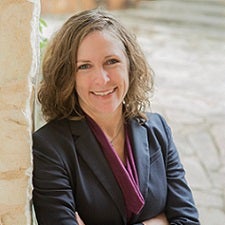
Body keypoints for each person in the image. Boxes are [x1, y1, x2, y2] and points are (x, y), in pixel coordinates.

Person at [32, 8, 200, 225]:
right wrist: (157, 222)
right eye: (84, 66)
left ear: (129, 64)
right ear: (68, 77)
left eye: (111, 61)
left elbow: (189, 221)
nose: (102, 79)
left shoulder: (157, 130)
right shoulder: (50, 147)